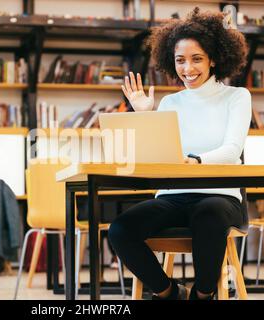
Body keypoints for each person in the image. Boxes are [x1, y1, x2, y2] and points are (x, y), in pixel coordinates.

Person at [108, 7, 251, 300]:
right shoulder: (171, 102)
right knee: (121, 229)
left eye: (197, 59)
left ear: (214, 58)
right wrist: (145, 116)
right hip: (173, 196)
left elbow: (232, 150)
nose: (188, 69)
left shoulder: (237, 97)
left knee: (207, 214)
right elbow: (156, 155)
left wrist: (196, 160)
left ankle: (203, 295)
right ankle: (169, 293)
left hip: (221, 197)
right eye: (180, 60)